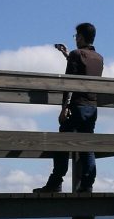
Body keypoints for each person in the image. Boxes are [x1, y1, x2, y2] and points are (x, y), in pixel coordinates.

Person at [34, 22, 104, 193]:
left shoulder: (76, 54)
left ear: (80, 36)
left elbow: (69, 83)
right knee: (87, 144)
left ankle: (56, 182)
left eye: (76, 36)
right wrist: (67, 55)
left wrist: (64, 107)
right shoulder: (99, 58)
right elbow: (84, 72)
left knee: (62, 144)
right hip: (91, 107)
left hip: (76, 106)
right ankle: (87, 184)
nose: (75, 39)